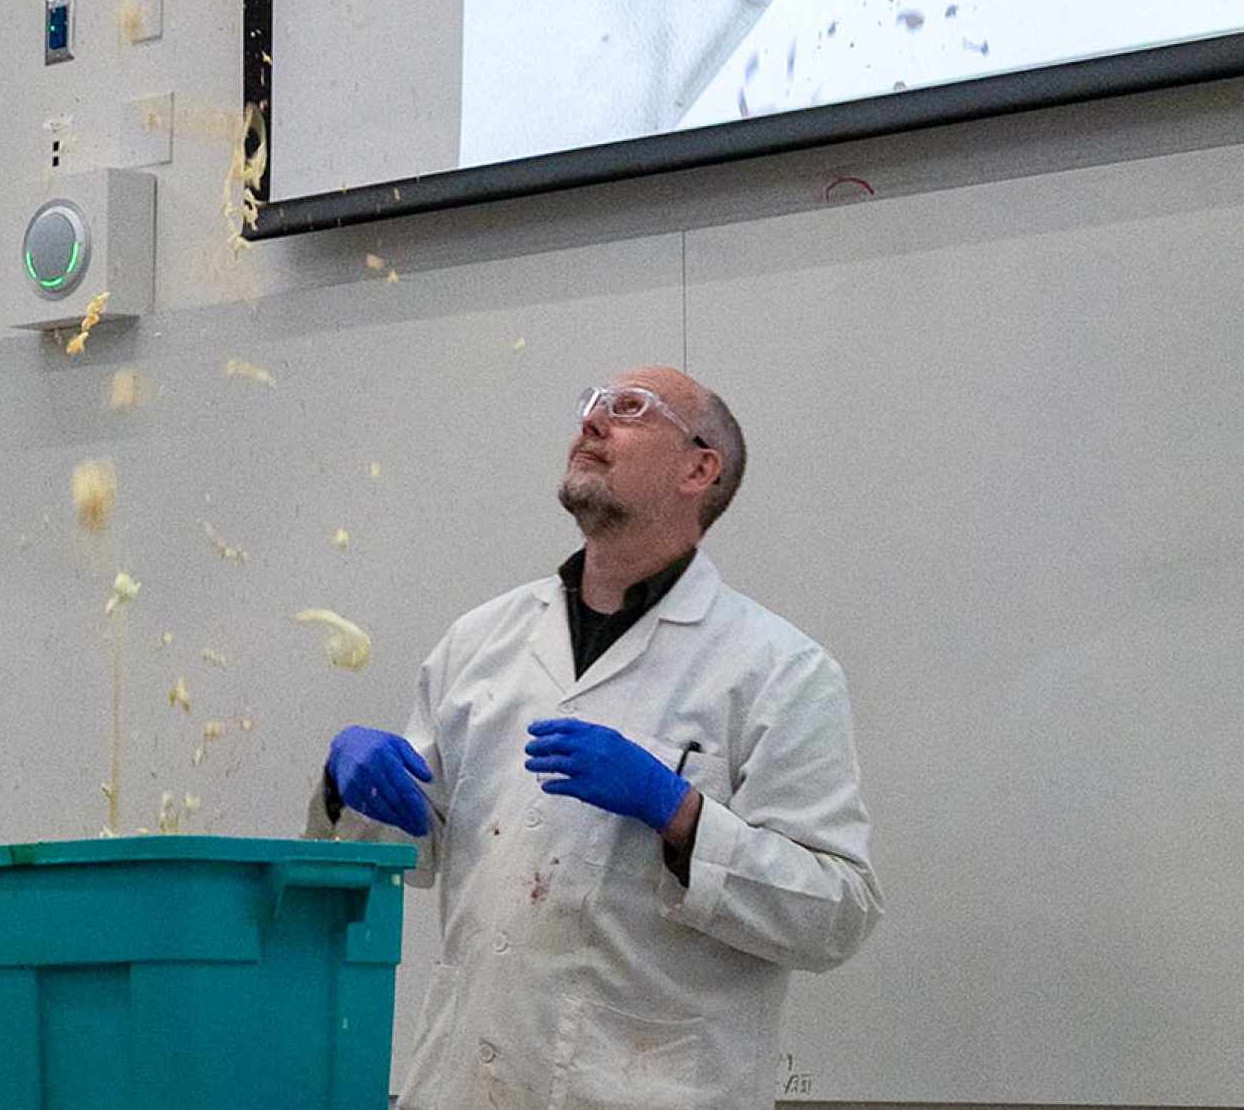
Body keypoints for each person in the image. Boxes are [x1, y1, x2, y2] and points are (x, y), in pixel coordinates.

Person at [307, 366, 880, 1109]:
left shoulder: (779, 669)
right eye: (591, 405)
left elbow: (839, 912)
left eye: (631, 409)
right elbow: (408, 851)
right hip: (463, 1083)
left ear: (699, 468)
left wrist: (679, 813)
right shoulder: (482, 640)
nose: (593, 422)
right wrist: (344, 787)